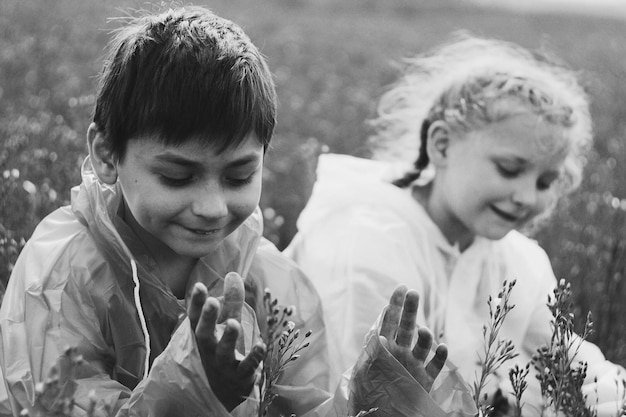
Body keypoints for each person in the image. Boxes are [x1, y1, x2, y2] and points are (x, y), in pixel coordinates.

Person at [0, 6, 474, 417]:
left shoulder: (271, 280)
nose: (211, 207)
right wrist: (196, 388)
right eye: (177, 177)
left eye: (238, 176)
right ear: (107, 155)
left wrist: (372, 398)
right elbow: (51, 404)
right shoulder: (63, 274)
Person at [286, 33, 626, 416]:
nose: (528, 197)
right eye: (509, 169)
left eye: (546, 182)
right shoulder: (367, 241)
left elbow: (572, 360)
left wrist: (607, 395)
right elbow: (368, 397)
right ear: (442, 145)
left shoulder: (517, 259)